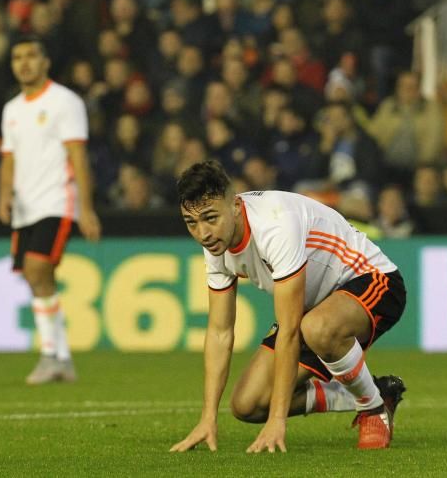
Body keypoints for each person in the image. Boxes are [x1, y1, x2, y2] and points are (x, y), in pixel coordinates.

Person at [170, 161, 406, 454]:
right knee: (248, 405)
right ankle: (371, 391)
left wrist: (278, 418)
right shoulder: (216, 244)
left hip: (373, 281)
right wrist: (208, 418)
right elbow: (220, 332)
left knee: (316, 328)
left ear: (234, 205)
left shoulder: (274, 223)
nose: (203, 233)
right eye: (191, 223)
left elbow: (291, 331)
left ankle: (373, 409)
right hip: (315, 308)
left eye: (210, 218)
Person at [0, 38, 101, 385]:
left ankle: (49, 355)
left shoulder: (64, 102)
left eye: (30, 56)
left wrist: (86, 207)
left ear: (45, 62)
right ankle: (62, 358)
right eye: (17, 57)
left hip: (57, 201)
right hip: (25, 207)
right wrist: (4, 195)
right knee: (36, 277)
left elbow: (77, 156)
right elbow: (9, 158)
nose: (23, 63)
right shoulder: (12, 109)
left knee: (36, 267)